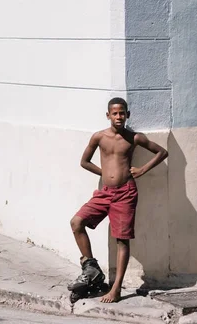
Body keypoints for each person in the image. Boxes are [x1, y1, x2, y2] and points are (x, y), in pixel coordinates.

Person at [69, 97, 168, 303]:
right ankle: (91, 267)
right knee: (77, 222)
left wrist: (142, 169)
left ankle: (116, 289)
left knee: (122, 240)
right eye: (114, 113)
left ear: (127, 115)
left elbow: (162, 152)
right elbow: (84, 162)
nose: (118, 117)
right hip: (105, 193)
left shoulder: (134, 138)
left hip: (126, 193)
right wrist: (104, 173)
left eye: (122, 113)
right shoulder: (99, 137)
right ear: (108, 115)